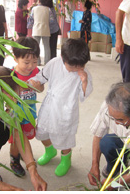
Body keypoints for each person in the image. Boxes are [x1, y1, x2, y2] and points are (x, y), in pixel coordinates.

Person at [30, 38, 93, 177]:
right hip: (49, 106)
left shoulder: (83, 73)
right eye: (73, 67)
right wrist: (34, 82)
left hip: (66, 110)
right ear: (63, 58)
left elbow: (85, 94)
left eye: (80, 66)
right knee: (41, 131)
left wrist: (84, 81)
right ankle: (50, 150)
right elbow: (41, 76)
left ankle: (66, 159)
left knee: (64, 138)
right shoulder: (54, 63)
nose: (77, 69)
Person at [9, 37, 41, 177]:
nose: (31, 66)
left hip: (30, 114)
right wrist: (18, 90)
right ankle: (14, 160)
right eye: (26, 62)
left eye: (34, 61)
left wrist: (38, 86)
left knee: (27, 138)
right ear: (15, 58)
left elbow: (41, 89)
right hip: (15, 117)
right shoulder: (10, 75)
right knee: (17, 141)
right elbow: (6, 97)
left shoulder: (36, 72)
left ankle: (24, 154)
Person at [28, 0, 54, 65]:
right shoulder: (48, 9)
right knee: (47, 47)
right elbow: (52, 20)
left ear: (38, 0)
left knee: (36, 47)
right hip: (46, 30)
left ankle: (37, 62)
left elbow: (31, 20)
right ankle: (47, 62)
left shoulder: (34, 9)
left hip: (36, 30)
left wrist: (30, 26)